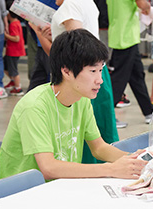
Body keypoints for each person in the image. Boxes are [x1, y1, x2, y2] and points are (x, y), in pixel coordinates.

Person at [0, 29, 147, 180]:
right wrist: (111, 169)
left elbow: (99, 148)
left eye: (101, 70)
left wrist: (138, 161)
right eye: (93, 71)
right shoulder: (34, 107)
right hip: (23, 193)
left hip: (61, 186)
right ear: (66, 72)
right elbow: (48, 168)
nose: (100, 79)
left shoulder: (82, 99)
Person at [32, 0, 119, 163]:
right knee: (99, 130)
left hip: (81, 76)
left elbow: (79, 55)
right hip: (92, 71)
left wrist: (39, 35)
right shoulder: (87, 3)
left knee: (82, 135)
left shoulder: (69, 6)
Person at [106, 0, 153, 124]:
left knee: (137, 75)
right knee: (119, 80)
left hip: (121, 33)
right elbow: (141, 3)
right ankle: (108, 116)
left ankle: (148, 111)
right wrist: (148, 7)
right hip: (127, 36)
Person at [27, 0, 59, 92]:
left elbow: (53, 50)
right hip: (42, 45)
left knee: (54, 86)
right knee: (35, 87)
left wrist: (37, 31)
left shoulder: (66, 9)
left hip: (51, 45)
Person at [3, 1, 26, 96]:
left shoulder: (13, 25)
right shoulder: (17, 23)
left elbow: (16, 38)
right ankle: (13, 81)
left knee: (14, 70)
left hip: (14, 52)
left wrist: (5, 35)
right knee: (5, 66)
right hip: (12, 51)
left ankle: (18, 88)